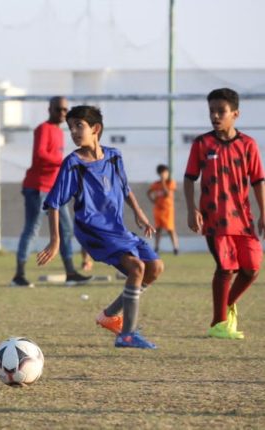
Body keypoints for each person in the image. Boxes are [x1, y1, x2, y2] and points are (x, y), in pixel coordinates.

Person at [37, 105, 164, 349]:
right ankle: (127, 335)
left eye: (79, 126)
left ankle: (109, 315)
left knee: (155, 268)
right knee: (136, 267)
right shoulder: (73, 163)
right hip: (92, 230)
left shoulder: (114, 156)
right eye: (70, 127)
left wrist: (139, 213)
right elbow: (53, 202)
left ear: (96, 129)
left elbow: (125, 188)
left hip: (117, 229)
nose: (74, 132)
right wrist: (55, 241)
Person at [183, 88, 264, 340]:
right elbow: (189, 178)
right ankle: (219, 323)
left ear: (235, 114)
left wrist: (263, 212)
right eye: (212, 111)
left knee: (252, 268)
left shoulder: (248, 145)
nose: (215, 116)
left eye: (221, 111)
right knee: (226, 269)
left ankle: (225, 305)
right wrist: (192, 209)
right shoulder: (202, 144)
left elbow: (258, 180)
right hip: (214, 220)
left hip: (243, 220)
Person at [11, 96, 92, 287]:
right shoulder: (43, 129)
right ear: (50, 109)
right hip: (38, 187)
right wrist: (64, 161)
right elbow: (40, 154)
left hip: (56, 190)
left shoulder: (60, 132)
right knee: (32, 229)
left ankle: (70, 273)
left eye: (65, 110)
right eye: (58, 109)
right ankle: (19, 275)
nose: (62, 113)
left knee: (66, 229)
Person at [147, 164, 180, 255]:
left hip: (168, 209)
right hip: (158, 209)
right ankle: (156, 248)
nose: (164, 174)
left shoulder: (170, 183)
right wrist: (153, 200)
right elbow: (149, 192)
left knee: (170, 229)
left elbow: (167, 194)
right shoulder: (155, 184)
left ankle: (175, 248)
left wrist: (163, 182)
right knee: (158, 229)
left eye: (165, 172)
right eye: (162, 173)